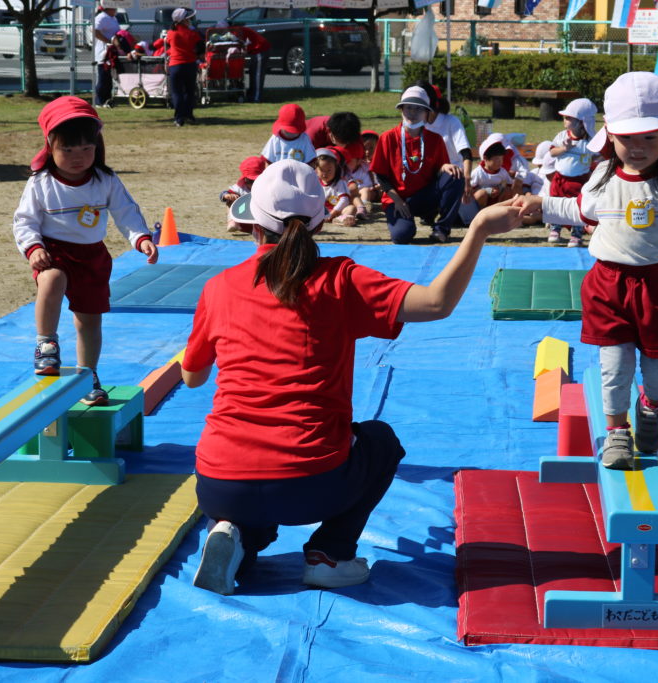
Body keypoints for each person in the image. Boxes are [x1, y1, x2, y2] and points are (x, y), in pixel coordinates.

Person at [182, 159, 533, 595]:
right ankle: (330, 554)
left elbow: (193, 377)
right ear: (319, 222)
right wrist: (477, 229)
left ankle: (236, 537)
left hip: (218, 483)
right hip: (311, 483)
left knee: (254, 486)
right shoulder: (340, 280)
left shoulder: (218, 288)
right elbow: (437, 302)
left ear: (253, 223)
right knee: (380, 442)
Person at [520, 72, 658, 471]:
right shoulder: (603, 175)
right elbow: (580, 210)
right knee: (615, 365)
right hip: (608, 286)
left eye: (650, 138)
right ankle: (617, 433)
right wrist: (542, 205)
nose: (638, 148)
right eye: (627, 138)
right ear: (609, 134)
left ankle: (651, 408)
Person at [13, 97, 159, 405]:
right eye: (67, 150)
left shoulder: (105, 180)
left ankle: (88, 375)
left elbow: (126, 212)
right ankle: (46, 344)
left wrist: (141, 238)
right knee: (52, 279)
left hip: (92, 257)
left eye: (86, 148)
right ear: (50, 146)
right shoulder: (41, 182)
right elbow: (24, 221)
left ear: (97, 146)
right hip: (54, 251)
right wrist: (33, 248)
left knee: (89, 321)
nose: (78, 157)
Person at [368, 86, 464, 244]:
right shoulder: (388, 137)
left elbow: (439, 169)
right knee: (401, 236)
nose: (412, 113)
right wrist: (397, 200)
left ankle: (441, 229)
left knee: (455, 175)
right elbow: (381, 176)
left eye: (419, 109)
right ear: (401, 110)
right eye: (408, 108)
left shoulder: (435, 139)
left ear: (427, 113)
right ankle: (407, 219)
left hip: (425, 196)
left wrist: (444, 167)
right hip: (397, 198)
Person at [414, 81, 474, 207]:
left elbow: (466, 153)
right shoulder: (417, 124)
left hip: (453, 175)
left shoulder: (451, 122)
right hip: (429, 174)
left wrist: (467, 179)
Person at [548, 97, 597, 247]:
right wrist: (564, 149)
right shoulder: (562, 136)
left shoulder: (590, 140)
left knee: (577, 206)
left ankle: (576, 234)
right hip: (559, 179)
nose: (565, 119)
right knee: (555, 203)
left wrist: (595, 159)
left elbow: (597, 155)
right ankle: (555, 229)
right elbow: (552, 153)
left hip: (579, 180)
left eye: (569, 117)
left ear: (581, 122)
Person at [460, 134, 517, 225]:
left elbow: (509, 185)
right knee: (481, 194)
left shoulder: (502, 172)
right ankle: (481, 216)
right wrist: (487, 190)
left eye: (501, 159)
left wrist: (500, 188)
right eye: (497, 159)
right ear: (485, 158)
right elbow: (470, 190)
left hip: (496, 201)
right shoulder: (478, 172)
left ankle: (499, 214)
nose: (500, 162)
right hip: (482, 202)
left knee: (508, 191)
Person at [216, 19, 270, 103]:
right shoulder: (235, 31)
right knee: (253, 73)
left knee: (257, 75)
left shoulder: (235, 31)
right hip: (255, 51)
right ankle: (252, 95)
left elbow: (238, 45)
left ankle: (256, 98)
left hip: (260, 49)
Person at [167, 8, 203, 127]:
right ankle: (189, 115)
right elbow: (200, 47)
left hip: (175, 65)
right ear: (183, 20)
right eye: (188, 19)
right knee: (189, 92)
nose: (190, 20)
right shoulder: (192, 33)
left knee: (177, 93)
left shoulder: (171, 33)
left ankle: (179, 118)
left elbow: (167, 42)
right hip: (190, 64)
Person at [221, 154, 267, 233]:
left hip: (262, 222)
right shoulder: (241, 187)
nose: (251, 184)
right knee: (230, 201)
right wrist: (227, 195)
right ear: (244, 179)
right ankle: (232, 222)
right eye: (249, 181)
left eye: (254, 181)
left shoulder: (266, 187)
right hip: (243, 221)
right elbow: (223, 195)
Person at [315, 147, 355, 226]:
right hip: (321, 211)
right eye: (322, 170)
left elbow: (344, 200)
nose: (325, 174)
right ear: (316, 170)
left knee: (351, 208)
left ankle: (340, 220)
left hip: (337, 211)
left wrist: (334, 212)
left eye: (329, 170)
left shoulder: (340, 182)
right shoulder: (315, 181)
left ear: (335, 168)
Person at [93, 6, 120, 108]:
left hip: (111, 53)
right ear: (108, 8)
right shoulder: (102, 17)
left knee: (109, 79)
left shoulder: (114, 18)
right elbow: (95, 31)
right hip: (103, 53)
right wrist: (108, 41)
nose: (116, 9)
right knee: (103, 78)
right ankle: (99, 101)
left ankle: (107, 100)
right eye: (114, 8)